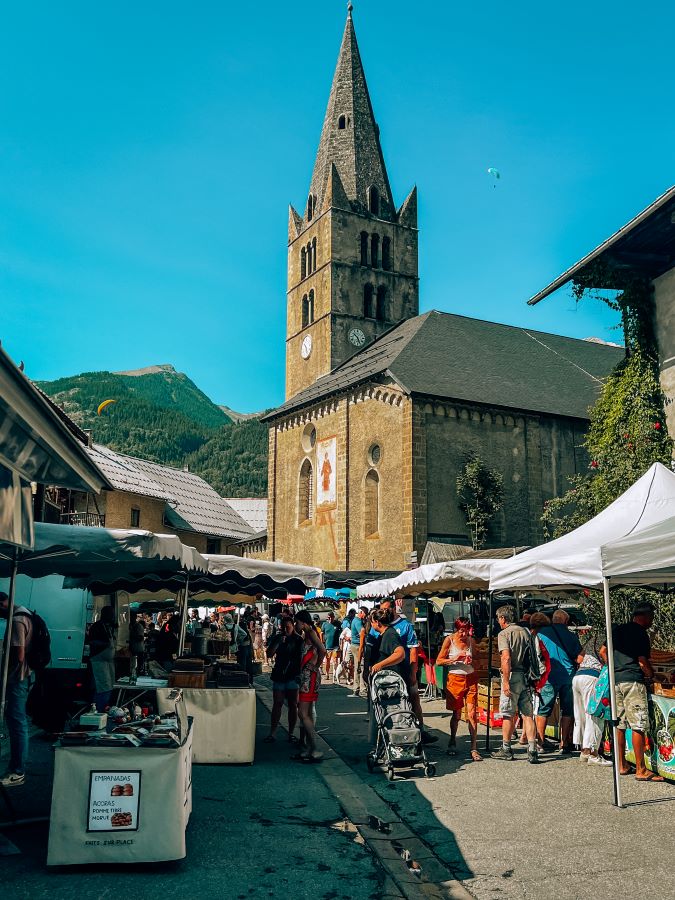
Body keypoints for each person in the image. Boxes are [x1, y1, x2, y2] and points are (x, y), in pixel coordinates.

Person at [601, 601, 664, 782]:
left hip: (616, 681)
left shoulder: (618, 630)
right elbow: (643, 661)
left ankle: (621, 765)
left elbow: (603, 651)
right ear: (643, 617)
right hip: (633, 682)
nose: (651, 621)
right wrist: (652, 676)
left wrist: (613, 668)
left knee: (619, 724)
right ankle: (641, 769)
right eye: (651, 617)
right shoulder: (640, 633)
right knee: (638, 724)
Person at [378, 599, 437, 744]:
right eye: (382, 609)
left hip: (405, 670)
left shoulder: (405, 626)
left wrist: (413, 672)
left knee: (414, 699)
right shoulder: (380, 624)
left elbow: (413, 650)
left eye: (386, 609)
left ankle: (421, 731)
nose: (384, 612)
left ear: (393, 608)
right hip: (387, 674)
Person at [490, 605, 538, 764]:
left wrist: (505, 682)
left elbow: (506, 658)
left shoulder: (504, 634)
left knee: (508, 713)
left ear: (503, 618)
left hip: (512, 675)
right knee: (528, 714)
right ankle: (532, 749)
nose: (498, 621)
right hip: (526, 676)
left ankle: (506, 748)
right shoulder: (525, 631)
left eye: (498, 618)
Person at [436, 617, 480, 761]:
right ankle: (452, 740)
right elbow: (439, 661)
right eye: (461, 631)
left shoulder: (472, 641)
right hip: (455, 679)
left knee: (472, 714)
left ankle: (474, 747)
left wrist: (472, 660)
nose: (464, 635)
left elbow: (479, 662)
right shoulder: (449, 640)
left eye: (466, 631)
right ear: (456, 629)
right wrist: (455, 659)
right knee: (456, 714)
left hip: (471, 679)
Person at [537, 610, 582, 753]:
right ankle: (564, 743)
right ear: (565, 621)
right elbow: (580, 658)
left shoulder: (542, 633)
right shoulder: (571, 635)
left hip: (549, 676)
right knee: (567, 710)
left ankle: (540, 742)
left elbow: (537, 654)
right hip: (568, 675)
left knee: (544, 709)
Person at [0, 592, 33, 787]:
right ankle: (16, 767)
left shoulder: (17, 619)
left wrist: (6, 675)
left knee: (17, 721)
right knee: (17, 721)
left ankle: (17, 770)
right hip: (24, 675)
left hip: (17, 677)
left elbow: (18, 654)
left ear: (2, 604)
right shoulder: (26, 613)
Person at [572, 630, 611, 765]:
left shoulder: (594, 638)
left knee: (580, 715)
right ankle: (593, 753)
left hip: (578, 676)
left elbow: (579, 659)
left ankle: (584, 751)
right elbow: (602, 652)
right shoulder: (609, 638)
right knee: (594, 715)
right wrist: (609, 667)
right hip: (592, 677)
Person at [293, 610, 326, 762]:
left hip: (309, 676)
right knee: (306, 713)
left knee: (303, 713)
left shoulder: (311, 633)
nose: (296, 625)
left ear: (303, 622)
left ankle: (315, 747)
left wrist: (316, 665)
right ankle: (310, 747)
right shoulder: (308, 633)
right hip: (307, 676)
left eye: (297, 622)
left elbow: (323, 650)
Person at [265, 616, 304, 744]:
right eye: (284, 627)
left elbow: (301, 658)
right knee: (278, 703)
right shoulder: (278, 638)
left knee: (293, 704)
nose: (286, 629)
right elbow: (269, 654)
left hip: (293, 674)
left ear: (292, 626)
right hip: (279, 674)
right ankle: (273, 732)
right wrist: (278, 643)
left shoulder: (298, 640)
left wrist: (300, 674)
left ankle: (291, 733)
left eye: (288, 627)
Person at [88, 606, 117, 712]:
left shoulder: (108, 626)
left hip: (108, 661)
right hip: (99, 661)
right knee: (103, 687)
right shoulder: (96, 627)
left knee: (110, 685)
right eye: (111, 614)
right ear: (105, 614)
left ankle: (104, 708)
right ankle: (99, 711)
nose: (113, 616)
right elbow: (91, 641)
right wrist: (105, 644)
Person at [369, 609, 409, 680]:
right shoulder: (383, 634)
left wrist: (380, 665)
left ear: (377, 622)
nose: (371, 625)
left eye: (372, 622)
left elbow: (400, 653)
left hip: (391, 681)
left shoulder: (390, 634)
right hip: (383, 680)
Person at [348, 608, 367, 698]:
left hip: (354, 645)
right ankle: (361, 689)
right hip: (357, 646)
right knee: (360, 666)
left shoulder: (355, 620)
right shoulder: (358, 622)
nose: (366, 615)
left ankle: (357, 688)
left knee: (358, 666)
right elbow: (362, 634)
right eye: (365, 613)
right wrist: (361, 648)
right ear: (360, 613)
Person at [321, 611, 340, 679]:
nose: (330, 619)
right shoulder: (325, 624)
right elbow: (321, 633)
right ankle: (327, 674)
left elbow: (341, 632)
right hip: (327, 645)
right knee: (327, 660)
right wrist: (322, 641)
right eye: (329, 617)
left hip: (335, 645)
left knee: (335, 661)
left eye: (331, 617)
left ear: (333, 617)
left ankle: (335, 675)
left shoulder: (337, 623)